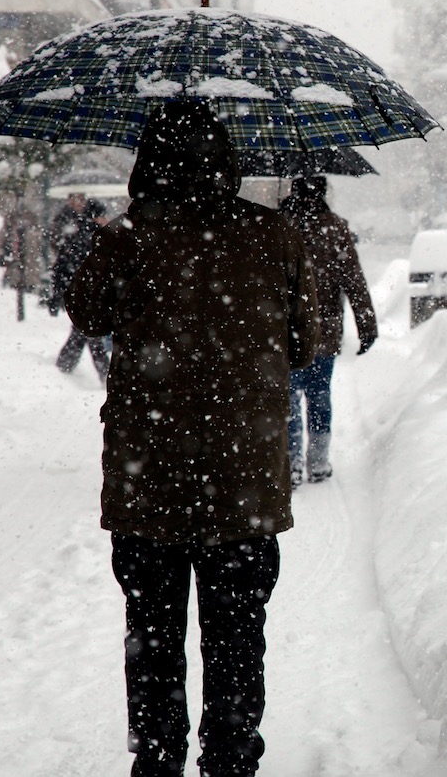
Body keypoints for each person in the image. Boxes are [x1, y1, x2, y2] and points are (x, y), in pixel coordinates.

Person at [64, 101, 319, 777]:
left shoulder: (127, 237)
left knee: (153, 634)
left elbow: (86, 311)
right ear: (224, 159)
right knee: (237, 635)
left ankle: (157, 757)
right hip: (244, 480)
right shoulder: (275, 235)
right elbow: (306, 342)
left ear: (147, 159)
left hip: (149, 478)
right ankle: (232, 757)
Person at [278, 175, 377, 485]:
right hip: (324, 329)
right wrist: (366, 326)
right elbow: (354, 280)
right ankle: (318, 461)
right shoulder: (335, 228)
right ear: (322, 193)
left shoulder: (278, 225)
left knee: (289, 397)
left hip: (285, 329)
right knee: (319, 394)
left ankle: (291, 461)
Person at [49, 192, 111, 379]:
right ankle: (104, 374)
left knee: (84, 330)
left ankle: (64, 366)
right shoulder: (76, 229)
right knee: (89, 331)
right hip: (83, 288)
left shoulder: (98, 232)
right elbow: (63, 262)